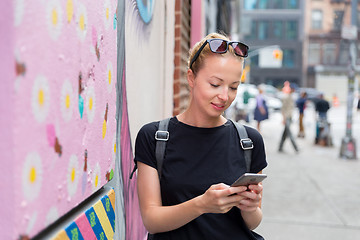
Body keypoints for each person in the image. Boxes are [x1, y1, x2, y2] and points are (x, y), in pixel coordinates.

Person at [134, 33, 267, 239]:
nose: (225, 96)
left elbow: (253, 222)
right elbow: (152, 220)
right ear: (191, 78)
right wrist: (202, 204)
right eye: (215, 84)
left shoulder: (249, 142)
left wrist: (249, 208)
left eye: (233, 87)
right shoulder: (155, 137)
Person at [278, 82, 299, 153]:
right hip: (286, 117)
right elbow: (283, 109)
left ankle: (280, 147)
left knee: (285, 133)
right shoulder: (286, 97)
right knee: (289, 133)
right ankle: (296, 148)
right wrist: (283, 119)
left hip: (290, 117)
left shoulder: (292, 97)